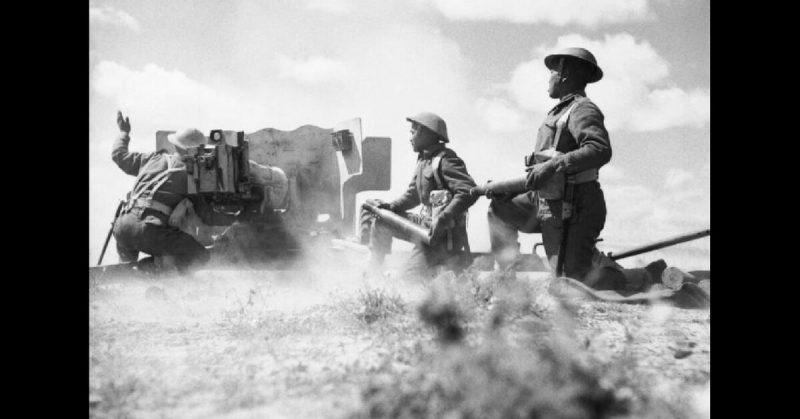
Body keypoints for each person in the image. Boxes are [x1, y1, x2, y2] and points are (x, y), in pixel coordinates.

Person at [486, 47, 624, 287]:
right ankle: (505, 278)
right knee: (500, 208)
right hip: (546, 200)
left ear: (564, 74)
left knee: (570, 283)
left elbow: (600, 149)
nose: (548, 78)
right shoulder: (560, 111)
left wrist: (554, 165)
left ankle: (622, 273)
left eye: (552, 71)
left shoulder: (582, 108)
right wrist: (512, 188)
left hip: (576, 205)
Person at [110, 111, 235, 273]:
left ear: (175, 145)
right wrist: (236, 218)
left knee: (125, 275)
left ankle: (132, 276)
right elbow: (207, 216)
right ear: (197, 152)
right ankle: (152, 271)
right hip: (147, 230)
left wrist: (124, 133)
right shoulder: (191, 177)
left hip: (122, 226)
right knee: (199, 255)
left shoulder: (152, 159)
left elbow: (119, 155)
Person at [360, 112, 478, 279]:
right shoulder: (423, 160)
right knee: (381, 218)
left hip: (443, 236)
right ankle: (374, 271)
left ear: (426, 133)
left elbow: (468, 191)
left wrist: (443, 219)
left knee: (407, 281)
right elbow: (413, 195)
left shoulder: (446, 160)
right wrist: (392, 207)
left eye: (413, 132)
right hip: (425, 228)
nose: (410, 138)